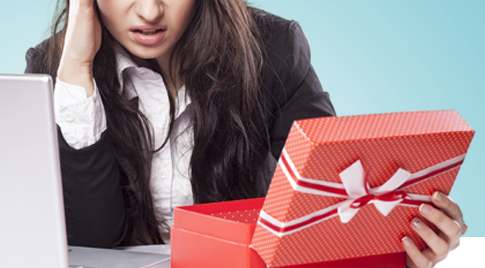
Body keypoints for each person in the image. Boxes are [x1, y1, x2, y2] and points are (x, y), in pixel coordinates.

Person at [25, 0, 467, 267]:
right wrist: (78, 75)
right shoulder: (55, 72)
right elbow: (90, 245)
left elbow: (330, 200)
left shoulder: (272, 49)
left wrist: (400, 246)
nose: (149, 11)